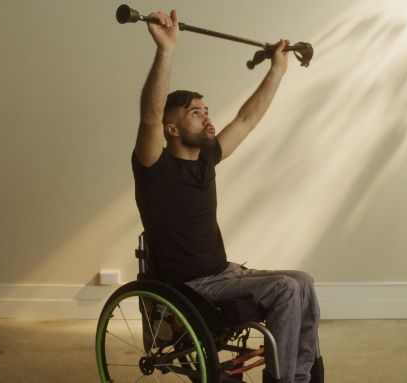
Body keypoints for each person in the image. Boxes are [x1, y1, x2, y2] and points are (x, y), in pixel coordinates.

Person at [131, 9, 323, 383]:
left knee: (303, 281)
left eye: (206, 110)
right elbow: (149, 119)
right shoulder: (155, 167)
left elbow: (248, 119)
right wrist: (166, 51)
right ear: (172, 128)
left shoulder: (206, 160)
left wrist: (277, 71)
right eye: (195, 113)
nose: (207, 118)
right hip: (192, 285)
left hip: (224, 273)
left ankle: (298, 374)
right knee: (285, 289)